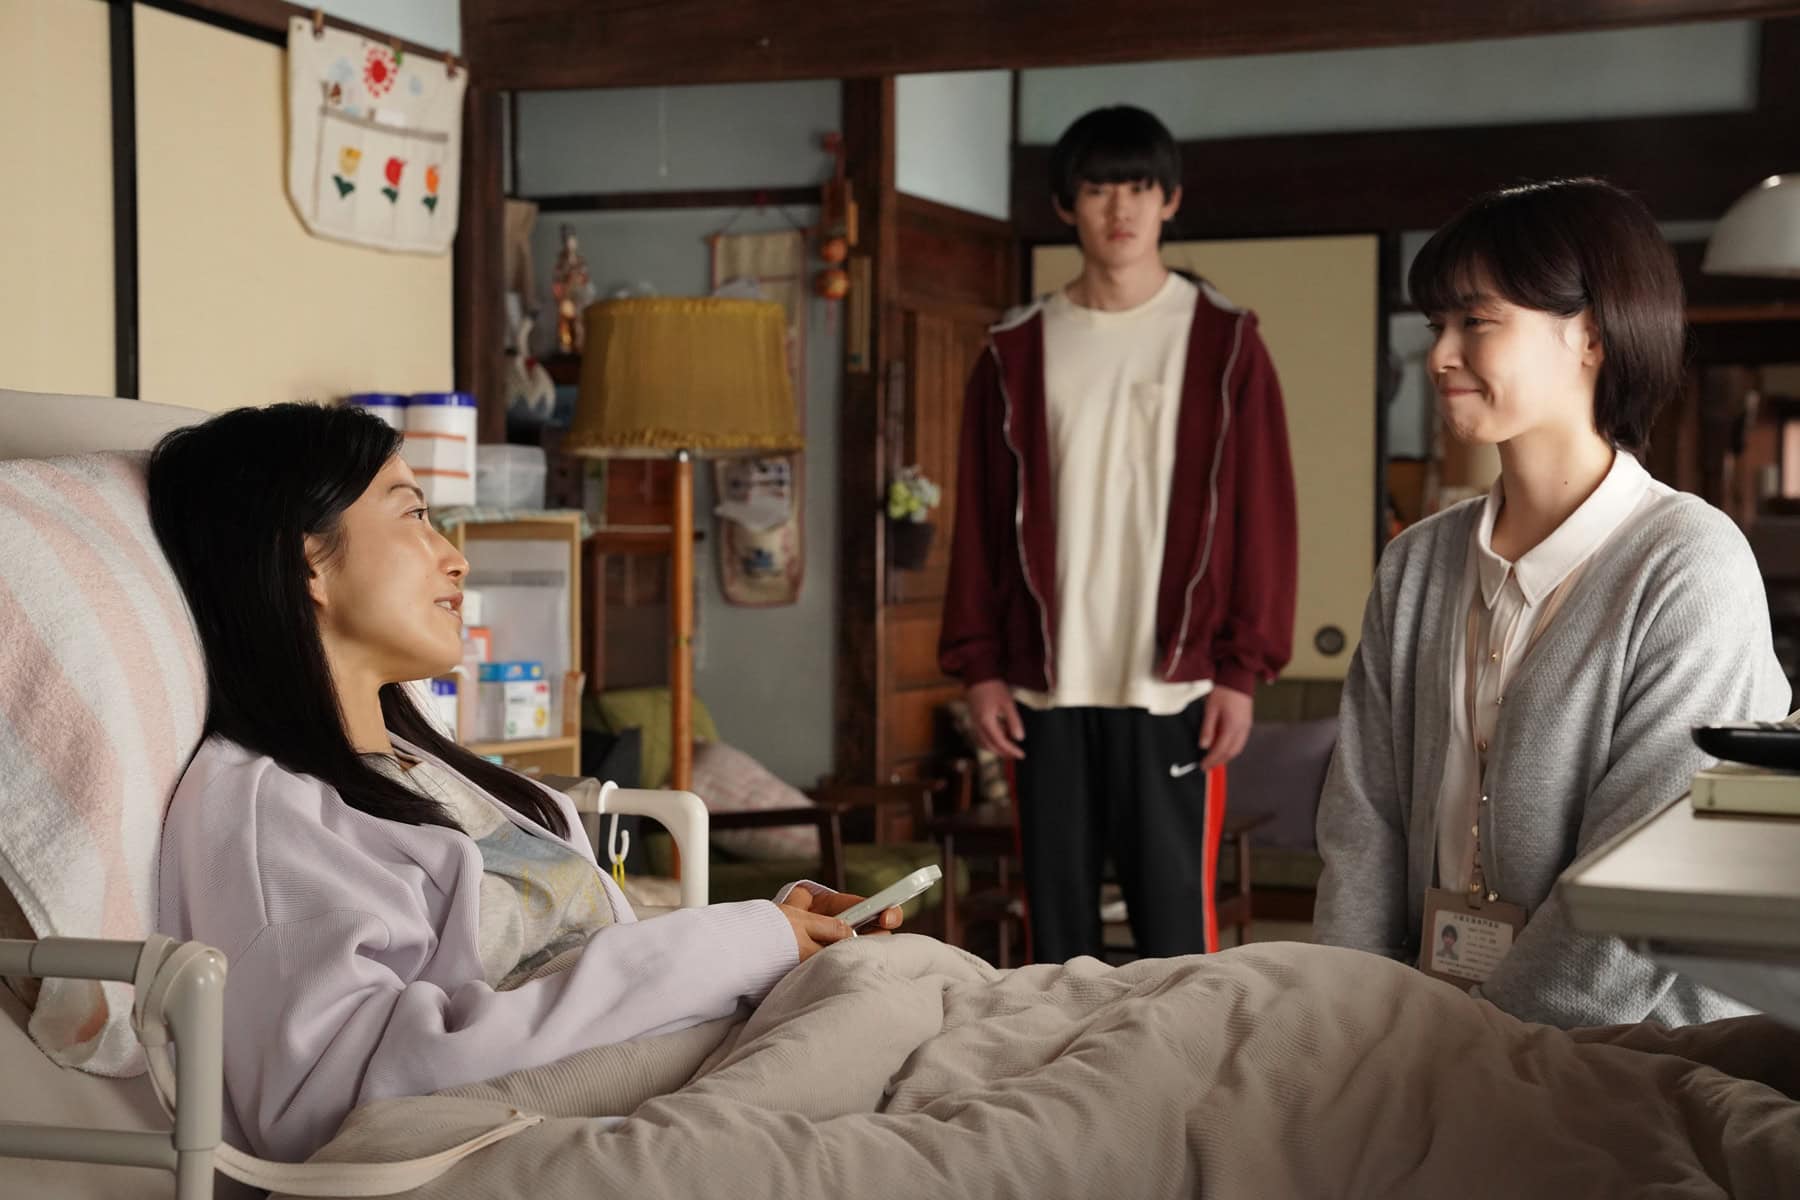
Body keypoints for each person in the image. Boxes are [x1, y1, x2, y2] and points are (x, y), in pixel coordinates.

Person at [147, 403, 903, 1162]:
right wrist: (729, 948)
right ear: (308, 558)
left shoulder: (426, 768)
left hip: (667, 1082)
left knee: (914, 989)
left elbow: (580, 962)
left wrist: (778, 936)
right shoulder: (269, 812)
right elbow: (326, 1103)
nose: (456, 558)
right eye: (414, 515)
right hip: (555, 1140)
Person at [1313, 178, 1791, 1028]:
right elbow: (1362, 828)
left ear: (1592, 336)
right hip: (1418, 1032)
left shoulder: (1689, 565)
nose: (1440, 355)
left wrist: (1469, 1059)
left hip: (1639, 1055)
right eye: (1435, 326)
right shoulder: (1417, 561)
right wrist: (1345, 1024)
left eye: (1476, 321)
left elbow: (1638, 906)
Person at [940, 105, 1298, 963]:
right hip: (1042, 692)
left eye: (1139, 187)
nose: (1120, 208)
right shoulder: (1013, 350)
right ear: (1067, 206)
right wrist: (981, 668)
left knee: (1177, 937)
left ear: (1170, 199)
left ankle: (1190, 1063)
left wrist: (1240, 672)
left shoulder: (1225, 342)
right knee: (1054, 942)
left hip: (1175, 690)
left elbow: (1263, 518)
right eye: (1099, 189)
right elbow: (979, 523)